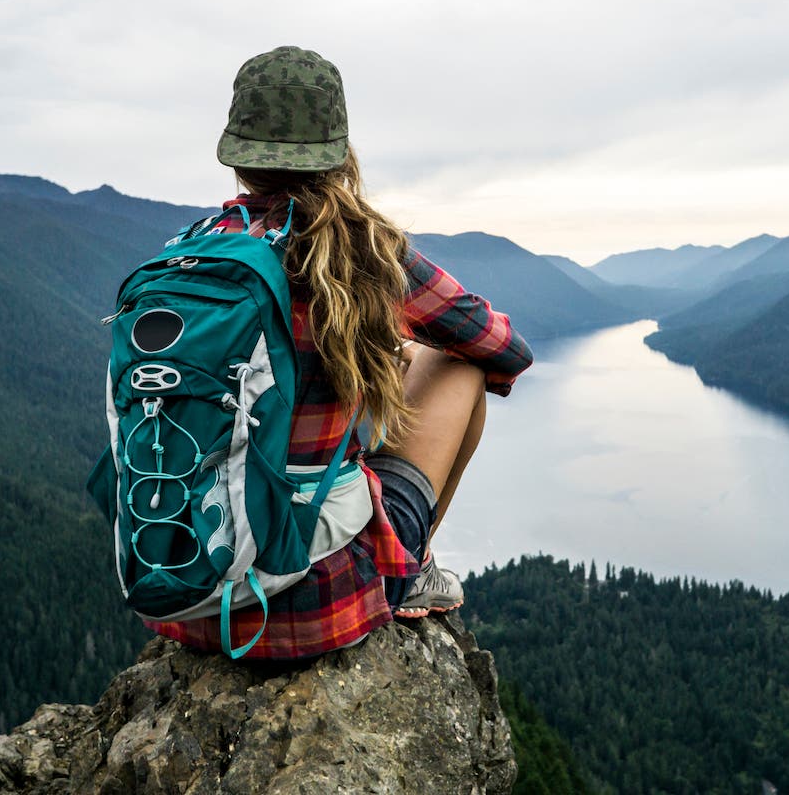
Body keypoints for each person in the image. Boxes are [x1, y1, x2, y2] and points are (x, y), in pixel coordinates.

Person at [143, 45, 533, 660]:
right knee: (460, 365)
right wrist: (395, 342)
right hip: (320, 602)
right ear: (338, 151)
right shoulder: (366, 252)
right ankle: (411, 570)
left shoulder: (190, 256)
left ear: (239, 159)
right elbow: (503, 348)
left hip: (190, 597)